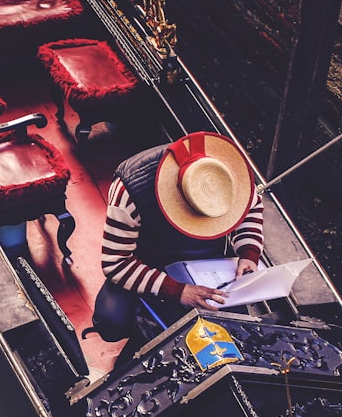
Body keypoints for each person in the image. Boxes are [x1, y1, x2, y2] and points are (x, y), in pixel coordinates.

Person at [87, 131, 264, 344]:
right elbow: (115, 262)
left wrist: (249, 253)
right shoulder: (130, 189)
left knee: (236, 330)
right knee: (111, 321)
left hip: (207, 264)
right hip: (147, 261)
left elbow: (251, 209)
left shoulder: (228, 176)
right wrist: (177, 291)